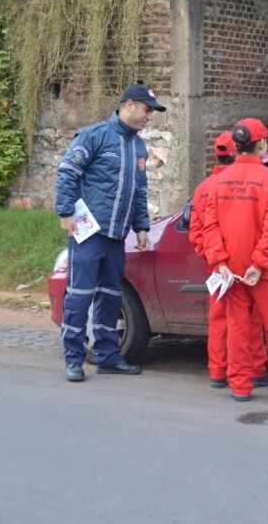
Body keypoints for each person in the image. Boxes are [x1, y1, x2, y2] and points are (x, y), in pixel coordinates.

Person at [54, 81, 166, 382]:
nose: (149, 117)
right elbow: (67, 174)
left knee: (111, 297)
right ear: (128, 105)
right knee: (79, 297)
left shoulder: (138, 147)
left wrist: (141, 228)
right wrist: (65, 211)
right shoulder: (94, 136)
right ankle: (74, 359)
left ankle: (108, 357)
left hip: (117, 237)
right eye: (147, 110)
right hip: (88, 235)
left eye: (152, 112)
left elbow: (140, 190)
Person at [202, 118, 268, 401]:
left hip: (231, 270)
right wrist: (258, 264)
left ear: (237, 146)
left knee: (237, 328)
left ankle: (240, 386)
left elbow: (210, 227)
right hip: (264, 271)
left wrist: (221, 263)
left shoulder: (219, 181)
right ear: (261, 145)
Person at [189, 131, 268, 390]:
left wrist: (214, 260)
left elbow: (197, 232)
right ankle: (255, 370)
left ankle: (218, 371)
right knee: (249, 319)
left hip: (218, 267)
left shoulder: (203, 188)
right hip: (243, 263)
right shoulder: (245, 181)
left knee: (219, 320)